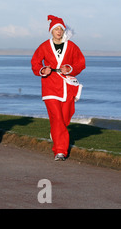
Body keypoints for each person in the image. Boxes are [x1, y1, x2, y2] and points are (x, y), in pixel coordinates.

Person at [31, 15, 86, 161]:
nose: (59, 31)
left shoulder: (72, 46)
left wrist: (70, 68)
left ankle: (56, 133)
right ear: (51, 31)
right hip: (50, 85)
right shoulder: (44, 46)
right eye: (56, 29)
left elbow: (81, 63)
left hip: (67, 86)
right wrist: (42, 70)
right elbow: (35, 62)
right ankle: (60, 151)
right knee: (56, 117)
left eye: (61, 29)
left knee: (64, 117)